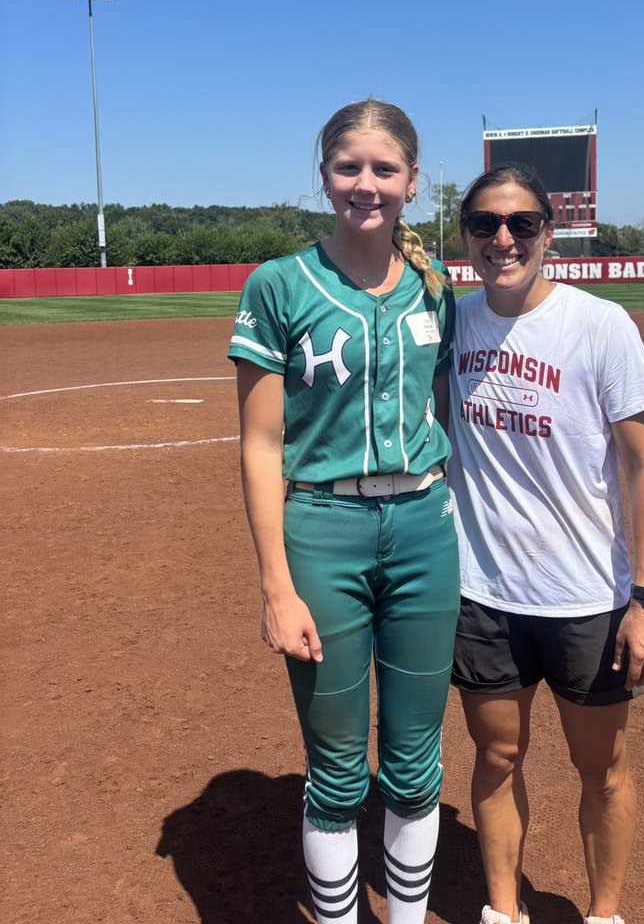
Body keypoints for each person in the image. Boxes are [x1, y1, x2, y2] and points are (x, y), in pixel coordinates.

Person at [228, 99, 460, 924]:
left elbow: (439, 414)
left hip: (426, 532)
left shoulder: (437, 288)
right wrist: (275, 586)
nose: (366, 184)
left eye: (384, 169)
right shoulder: (280, 284)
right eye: (348, 167)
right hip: (323, 531)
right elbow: (260, 444)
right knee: (333, 768)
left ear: (413, 182)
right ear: (324, 173)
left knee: (415, 764)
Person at [447, 163, 644, 924]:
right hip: (484, 594)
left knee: (601, 768)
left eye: (521, 224)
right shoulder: (452, 322)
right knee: (496, 757)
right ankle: (503, 911)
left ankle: (603, 915)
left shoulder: (600, 324)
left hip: (587, 599)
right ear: (467, 236)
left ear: (549, 232)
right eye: (485, 224)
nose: (503, 239)